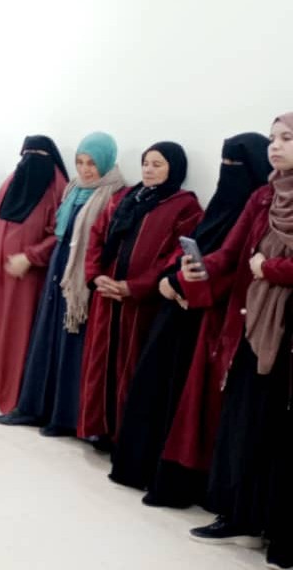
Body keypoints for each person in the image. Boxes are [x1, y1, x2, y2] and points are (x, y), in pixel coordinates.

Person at [111, 133, 271, 506]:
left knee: (192, 406)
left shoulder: (256, 212)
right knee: (158, 389)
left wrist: (188, 290)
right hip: (179, 310)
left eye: (237, 167)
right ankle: (143, 468)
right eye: (224, 164)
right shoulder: (223, 207)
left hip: (212, 321)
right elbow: (195, 248)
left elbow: (237, 269)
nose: (227, 173)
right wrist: (172, 281)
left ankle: (186, 484)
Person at [183, 113, 293, 570]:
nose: (275, 146)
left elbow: (263, 264)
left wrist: (268, 270)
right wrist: (202, 266)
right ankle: (240, 514)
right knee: (245, 421)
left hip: (288, 334)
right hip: (254, 326)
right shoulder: (263, 195)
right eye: (272, 138)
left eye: (287, 138)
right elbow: (231, 252)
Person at [0, 132, 125, 435]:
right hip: (60, 268)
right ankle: (33, 408)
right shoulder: (73, 189)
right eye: (80, 162)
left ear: (106, 162)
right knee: (46, 340)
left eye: (92, 163)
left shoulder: (113, 195)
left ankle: (63, 418)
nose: (85, 169)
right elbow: (59, 233)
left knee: (71, 347)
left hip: (80, 277)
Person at [77, 142, 203, 450]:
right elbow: (97, 236)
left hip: (141, 303)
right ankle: (98, 428)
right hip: (107, 295)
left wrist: (134, 287)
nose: (148, 169)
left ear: (174, 168)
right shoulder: (127, 197)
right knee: (100, 363)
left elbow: (173, 258)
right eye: (146, 163)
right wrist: (96, 277)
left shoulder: (185, 207)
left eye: (157, 164)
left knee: (129, 368)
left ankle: (124, 435)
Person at [0, 136, 68, 413]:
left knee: (21, 336)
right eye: (27, 153)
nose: (31, 160)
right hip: (0, 277)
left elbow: (60, 236)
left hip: (30, 281)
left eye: (37, 154)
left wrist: (31, 257)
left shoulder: (57, 187)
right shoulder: (12, 180)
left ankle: (17, 397)